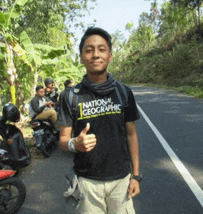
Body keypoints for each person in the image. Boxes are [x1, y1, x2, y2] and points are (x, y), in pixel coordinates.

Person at [58, 27, 141, 214]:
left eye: (101, 49)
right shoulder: (69, 96)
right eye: (89, 50)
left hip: (121, 181)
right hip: (87, 183)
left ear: (110, 56)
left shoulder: (123, 92)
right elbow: (63, 140)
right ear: (80, 57)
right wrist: (74, 143)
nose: (95, 55)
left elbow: (132, 134)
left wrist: (136, 176)